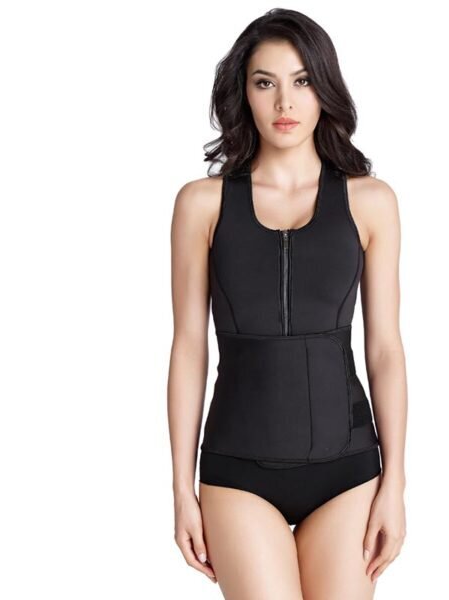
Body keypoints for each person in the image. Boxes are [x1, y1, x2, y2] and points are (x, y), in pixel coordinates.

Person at [168, 8, 407, 599]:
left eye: (301, 81)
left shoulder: (371, 201)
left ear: (324, 87)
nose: (284, 102)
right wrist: (180, 489)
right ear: (243, 92)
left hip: (348, 471)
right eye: (264, 82)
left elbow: (384, 349)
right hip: (237, 473)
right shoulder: (201, 204)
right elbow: (189, 348)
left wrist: (396, 483)